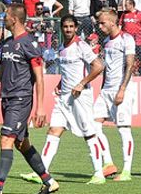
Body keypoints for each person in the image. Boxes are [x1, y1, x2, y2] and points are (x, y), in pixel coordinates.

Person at [0, 5, 57, 194]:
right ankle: (49, 181)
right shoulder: (8, 43)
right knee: (21, 143)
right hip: (7, 99)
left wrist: (41, 107)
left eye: (6, 16)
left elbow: (39, 77)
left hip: (21, 99)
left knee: (6, 139)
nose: (4, 19)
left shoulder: (30, 43)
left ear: (15, 19)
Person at [40, 16, 115, 184]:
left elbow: (99, 66)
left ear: (75, 28)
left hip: (80, 96)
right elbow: (69, 70)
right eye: (65, 26)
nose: (68, 29)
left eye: (71, 26)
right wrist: (61, 82)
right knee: (54, 130)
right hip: (64, 97)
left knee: (89, 133)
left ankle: (98, 173)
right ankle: (42, 172)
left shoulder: (81, 45)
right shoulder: (61, 47)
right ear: (61, 28)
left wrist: (82, 83)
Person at [95, 8, 138, 181]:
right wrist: (103, 87)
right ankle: (109, 163)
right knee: (93, 125)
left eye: (102, 22)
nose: (100, 25)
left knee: (123, 129)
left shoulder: (126, 39)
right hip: (106, 90)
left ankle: (126, 170)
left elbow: (130, 64)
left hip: (122, 89)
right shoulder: (106, 41)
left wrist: (122, 89)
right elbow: (105, 66)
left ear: (113, 22)